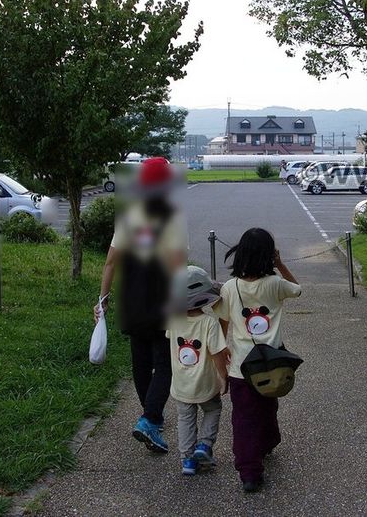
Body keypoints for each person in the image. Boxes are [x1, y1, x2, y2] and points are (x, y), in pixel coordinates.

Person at [95, 157, 187, 453]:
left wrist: (102, 299)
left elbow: (111, 261)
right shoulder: (172, 217)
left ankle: (152, 418)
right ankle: (150, 418)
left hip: (132, 300)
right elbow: (177, 265)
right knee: (164, 364)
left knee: (141, 362)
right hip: (161, 301)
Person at [214, 228, 301, 493]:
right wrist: (280, 264)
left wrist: (222, 353)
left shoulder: (229, 288)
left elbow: (222, 323)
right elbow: (297, 289)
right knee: (267, 405)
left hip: (242, 368)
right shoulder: (275, 284)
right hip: (272, 364)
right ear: (268, 256)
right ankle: (267, 442)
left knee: (244, 418)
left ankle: (249, 472)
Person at [166, 266, 229, 476]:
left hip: (181, 384)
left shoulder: (174, 320)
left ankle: (188, 461)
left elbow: (170, 338)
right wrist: (224, 377)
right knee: (212, 409)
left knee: (185, 419)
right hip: (205, 384)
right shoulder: (210, 323)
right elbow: (218, 353)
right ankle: (204, 445)